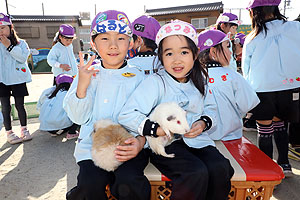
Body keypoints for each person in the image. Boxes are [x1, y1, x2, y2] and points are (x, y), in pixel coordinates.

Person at [119, 20, 234, 200]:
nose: (177, 59)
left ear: (195, 55)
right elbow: (127, 114)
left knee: (220, 168)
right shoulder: (155, 82)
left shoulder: (201, 80)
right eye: (169, 53)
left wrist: (203, 123)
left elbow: (211, 108)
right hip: (167, 144)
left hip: (198, 141)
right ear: (161, 57)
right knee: (195, 173)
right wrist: (156, 129)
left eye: (184, 52)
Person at [63, 10, 149, 200]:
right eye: (104, 38)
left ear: (131, 42)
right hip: (94, 148)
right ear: (93, 43)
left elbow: (150, 118)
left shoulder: (140, 77)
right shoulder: (86, 73)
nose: (113, 45)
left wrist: (141, 142)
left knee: (130, 184)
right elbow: (77, 118)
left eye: (120, 38)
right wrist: (82, 87)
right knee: (89, 184)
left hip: (129, 146)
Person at [242, 0, 300, 176]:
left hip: (263, 88)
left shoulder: (253, 37)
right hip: (292, 86)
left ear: (254, 12)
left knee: (265, 127)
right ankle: (284, 164)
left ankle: (268, 170)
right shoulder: (295, 28)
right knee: (281, 123)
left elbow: (246, 68)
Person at [197, 29, 259, 141]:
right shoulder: (233, 76)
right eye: (227, 46)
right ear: (213, 51)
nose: (230, 52)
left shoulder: (195, 78)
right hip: (232, 138)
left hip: (201, 140)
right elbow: (248, 104)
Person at [0, 13, 32, 144]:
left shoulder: (21, 43)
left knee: (20, 105)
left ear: (10, 27)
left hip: (18, 79)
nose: (0, 31)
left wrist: (9, 45)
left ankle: (24, 129)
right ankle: (9, 132)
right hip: (2, 80)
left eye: (3, 27)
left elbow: (22, 58)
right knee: (5, 107)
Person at [37, 74, 79, 139]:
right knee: (79, 111)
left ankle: (56, 131)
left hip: (47, 127)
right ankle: (71, 133)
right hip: (59, 125)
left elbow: (39, 106)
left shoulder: (51, 92)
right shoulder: (67, 94)